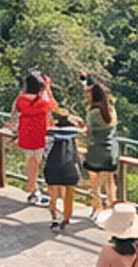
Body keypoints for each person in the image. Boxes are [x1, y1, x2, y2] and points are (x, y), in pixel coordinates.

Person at [10, 70, 56, 204]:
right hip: (39, 134)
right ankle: (34, 188)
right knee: (37, 161)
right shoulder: (43, 102)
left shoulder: (22, 100)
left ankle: (32, 189)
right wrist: (47, 87)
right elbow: (53, 105)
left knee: (30, 161)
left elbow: (15, 109)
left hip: (25, 133)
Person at [80, 78, 120, 217]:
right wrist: (84, 80)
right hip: (110, 152)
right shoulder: (111, 110)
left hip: (95, 151)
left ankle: (97, 207)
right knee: (110, 183)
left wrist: (79, 126)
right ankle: (112, 207)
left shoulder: (93, 113)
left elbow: (88, 132)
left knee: (94, 184)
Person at [43, 110, 84, 232]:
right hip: (69, 167)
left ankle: (54, 214)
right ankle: (66, 217)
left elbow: (46, 151)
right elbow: (76, 155)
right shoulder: (74, 136)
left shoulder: (51, 133)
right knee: (70, 191)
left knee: (53, 191)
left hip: (53, 167)